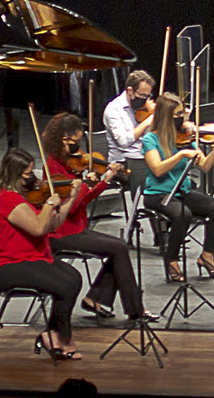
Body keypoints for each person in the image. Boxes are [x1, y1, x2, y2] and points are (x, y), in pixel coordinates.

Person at [39, 112, 153, 323]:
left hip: (76, 228)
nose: (79, 150)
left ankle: (96, 299)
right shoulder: (54, 168)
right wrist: (85, 185)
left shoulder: (70, 164)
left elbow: (83, 201)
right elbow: (70, 208)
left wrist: (103, 181)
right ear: (64, 140)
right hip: (61, 233)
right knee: (118, 247)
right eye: (75, 142)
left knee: (119, 246)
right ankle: (135, 309)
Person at [0, 147, 85, 360]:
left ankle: (51, 333)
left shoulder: (26, 197)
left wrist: (68, 200)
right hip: (10, 266)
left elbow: (54, 225)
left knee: (74, 278)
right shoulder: (6, 200)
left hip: (32, 258)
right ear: (13, 173)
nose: (32, 179)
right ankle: (64, 338)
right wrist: (49, 203)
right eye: (27, 174)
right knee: (64, 286)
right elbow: (38, 229)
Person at [141, 92, 214, 282]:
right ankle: (171, 259)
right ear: (166, 116)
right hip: (158, 194)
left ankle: (207, 255)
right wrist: (180, 155)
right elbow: (157, 169)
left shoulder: (186, 137)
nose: (182, 119)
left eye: (183, 114)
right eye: (177, 115)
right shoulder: (150, 139)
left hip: (182, 191)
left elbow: (204, 166)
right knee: (183, 214)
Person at [101, 69, 157, 180]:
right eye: (142, 95)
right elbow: (123, 142)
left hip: (144, 157)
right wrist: (146, 122)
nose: (145, 100)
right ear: (130, 91)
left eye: (148, 96)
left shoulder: (145, 108)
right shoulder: (113, 109)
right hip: (123, 163)